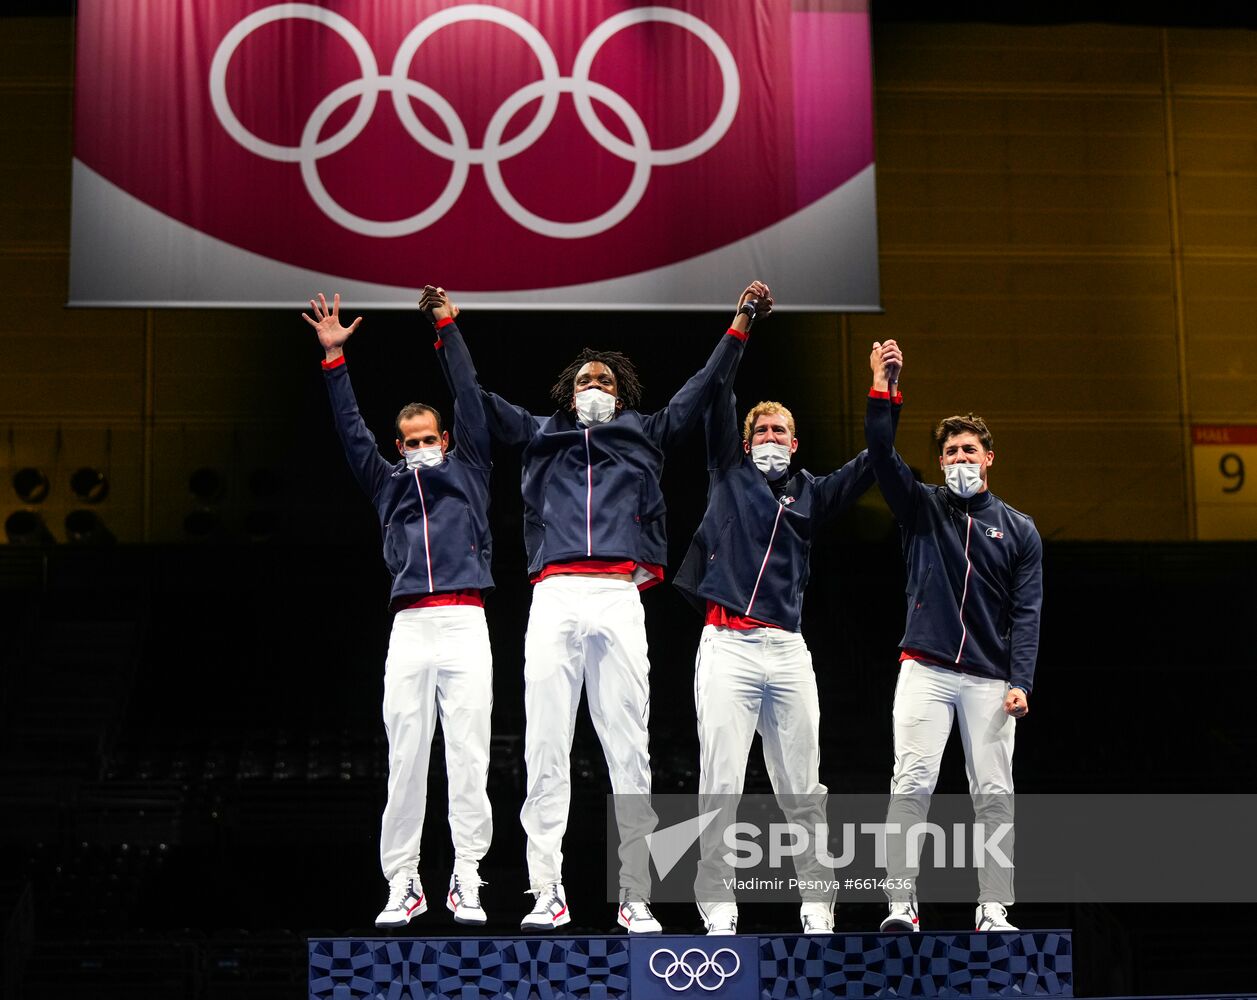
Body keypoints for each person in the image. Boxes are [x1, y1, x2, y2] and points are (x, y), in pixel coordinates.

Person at [429, 282, 763, 934]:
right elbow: (469, 396)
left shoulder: (645, 433)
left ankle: (634, 895)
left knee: (628, 750)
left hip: (618, 595)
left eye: (605, 379)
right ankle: (545, 892)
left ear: (621, 392)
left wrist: (741, 325)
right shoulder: (537, 434)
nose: (594, 384)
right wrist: (445, 327)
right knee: (546, 748)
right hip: (553, 595)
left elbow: (701, 388)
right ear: (566, 389)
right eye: (585, 377)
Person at [674, 298, 899, 936]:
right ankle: (718, 907)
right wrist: (741, 325)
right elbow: (717, 388)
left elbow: (876, 460)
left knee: (805, 789)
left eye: (780, 432)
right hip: (727, 646)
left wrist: (881, 390)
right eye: (761, 432)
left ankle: (818, 907)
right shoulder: (727, 474)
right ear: (745, 444)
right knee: (720, 783)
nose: (770, 440)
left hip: (789, 652)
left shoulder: (811, 494)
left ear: (795, 444)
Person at [305, 292, 495, 928]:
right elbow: (349, 429)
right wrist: (335, 360)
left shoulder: (470, 468)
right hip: (410, 626)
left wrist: (446, 328)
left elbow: (468, 393)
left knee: (469, 754)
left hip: (467, 621)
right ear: (399, 443)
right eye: (407, 441)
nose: (418, 448)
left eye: (426, 439)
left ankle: (467, 873)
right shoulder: (385, 483)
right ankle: (404, 880)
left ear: (444, 438)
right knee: (406, 757)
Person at [863, 339, 1042, 934]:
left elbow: (1028, 610)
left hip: (991, 679)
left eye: (969, 449)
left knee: (993, 791)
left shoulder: (1019, 530)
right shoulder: (921, 508)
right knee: (911, 780)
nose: (959, 457)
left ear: (990, 457)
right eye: (949, 451)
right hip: (927, 669)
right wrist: (884, 387)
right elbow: (881, 453)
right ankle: (900, 904)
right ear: (939, 462)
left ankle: (993, 907)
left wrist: (1021, 680)